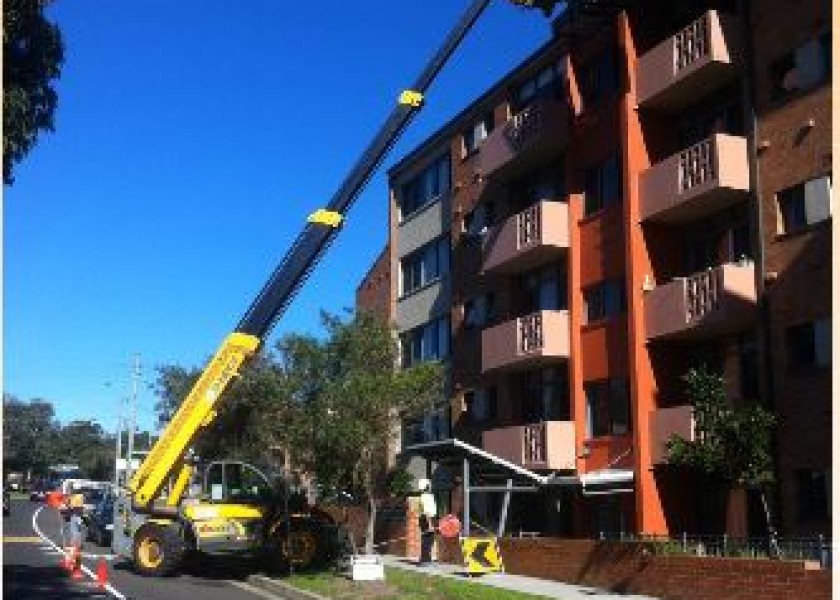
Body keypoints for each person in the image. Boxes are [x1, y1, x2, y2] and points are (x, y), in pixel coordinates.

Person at [417, 478, 437, 566]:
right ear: (426, 486)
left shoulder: (426, 496)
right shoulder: (426, 497)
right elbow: (427, 512)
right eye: (429, 485)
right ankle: (424, 561)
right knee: (427, 540)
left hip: (426, 518)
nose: (430, 486)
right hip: (426, 519)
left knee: (429, 540)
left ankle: (426, 560)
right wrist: (430, 525)